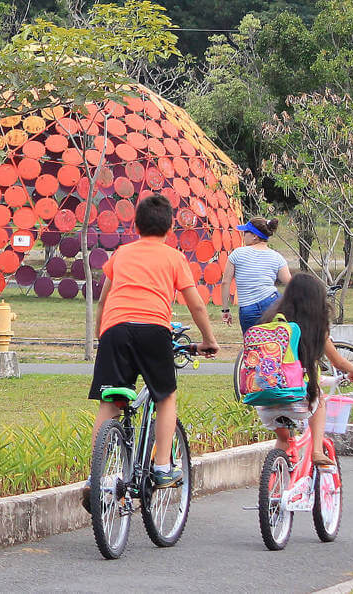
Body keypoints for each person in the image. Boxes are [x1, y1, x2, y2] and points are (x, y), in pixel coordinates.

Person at [90, 194, 220, 492]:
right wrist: (209, 340)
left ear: (135, 225)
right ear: (171, 227)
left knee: (110, 401)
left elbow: (103, 301)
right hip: (153, 329)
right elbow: (196, 305)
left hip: (115, 330)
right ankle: (162, 466)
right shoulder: (173, 257)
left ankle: (95, 478)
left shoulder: (121, 254)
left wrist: (103, 336)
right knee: (165, 397)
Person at [258, 272, 353, 465]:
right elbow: (338, 362)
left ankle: (271, 483)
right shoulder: (316, 326)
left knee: (283, 440)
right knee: (320, 401)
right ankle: (317, 451)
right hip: (299, 401)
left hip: (265, 399)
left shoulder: (271, 321)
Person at [218, 217, 291, 333]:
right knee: (275, 343)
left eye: (245, 232)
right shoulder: (276, 257)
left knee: (253, 345)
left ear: (254, 236)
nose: (243, 235)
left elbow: (225, 282)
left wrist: (225, 310)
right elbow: (290, 283)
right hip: (272, 302)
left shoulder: (237, 254)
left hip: (248, 307)